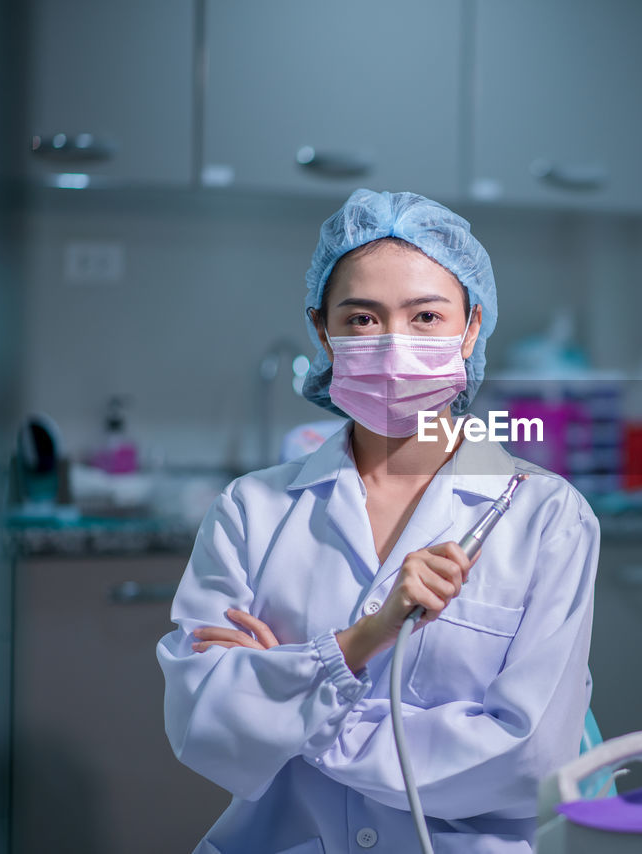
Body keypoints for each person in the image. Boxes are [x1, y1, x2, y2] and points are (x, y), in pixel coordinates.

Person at [157, 189, 600, 854]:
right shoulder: (252, 512)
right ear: (321, 331)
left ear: (471, 326)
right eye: (362, 319)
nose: (394, 344)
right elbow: (202, 724)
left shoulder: (544, 517)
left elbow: (525, 758)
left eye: (425, 316)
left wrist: (293, 704)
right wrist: (358, 643)